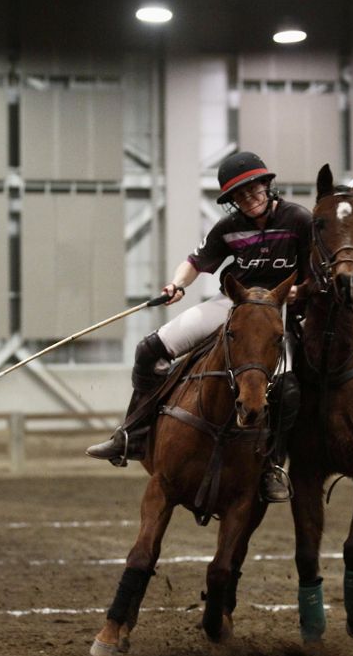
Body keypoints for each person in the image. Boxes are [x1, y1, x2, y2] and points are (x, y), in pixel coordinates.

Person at [86, 151, 310, 502]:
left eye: (253, 190)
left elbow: (317, 271)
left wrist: (301, 290)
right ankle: (134, 432)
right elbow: (195, 261)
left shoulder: (298, 219)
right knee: (149, 350)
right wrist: (177, 285)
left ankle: (273, 466)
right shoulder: (229, 228)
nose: (248, 199)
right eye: (239, 195)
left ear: (267, 185)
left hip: (277, 311)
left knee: (288, 388)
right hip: (234, 304)